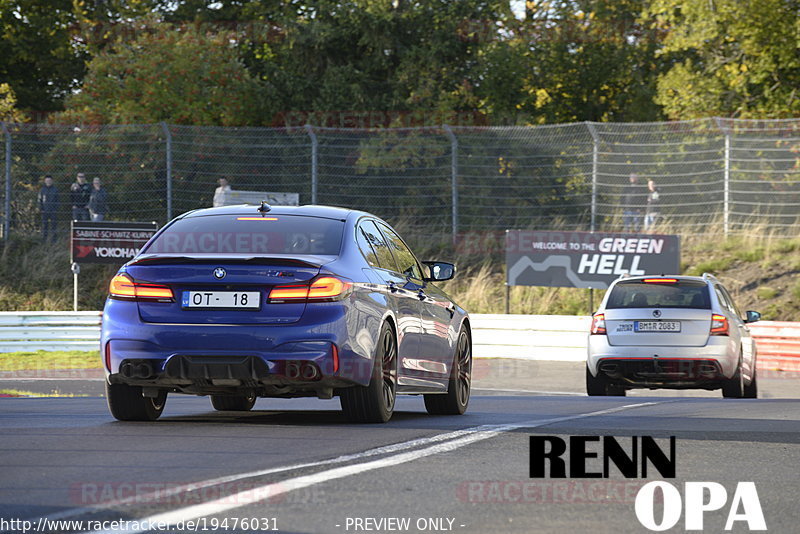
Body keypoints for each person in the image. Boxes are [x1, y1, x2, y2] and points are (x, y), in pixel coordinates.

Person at [37, 175, 59, 241]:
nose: (48, 182)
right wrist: (41, 209)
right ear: (45, 181)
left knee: (53, 226)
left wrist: (55, 209)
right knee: (44, 226)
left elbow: (58, 200)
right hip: (44, 211)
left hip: (53, 211)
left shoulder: (55, 190)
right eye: (47, 181)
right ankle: (44, 239)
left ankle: (54, 240)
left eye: (50, 181)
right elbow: (39, 200)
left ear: (52, 181)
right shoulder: (42, 190)